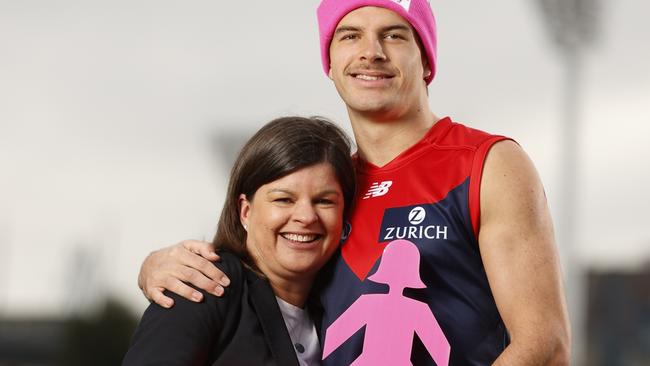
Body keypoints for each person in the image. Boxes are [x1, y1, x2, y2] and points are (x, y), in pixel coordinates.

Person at [136, 1, 571, 364]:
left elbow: (544, 346)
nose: (372, 52)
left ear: (426, 59)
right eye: (350, 35)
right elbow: (270, 287)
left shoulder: (487, 163)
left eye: (394, 35)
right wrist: (159, 266)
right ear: (330, 62)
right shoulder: (327, 191)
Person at [122, 116, 355, 365]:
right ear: (245, 210)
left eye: (324, 201)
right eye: (284, 199)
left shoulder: (336, 308)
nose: (306, 217)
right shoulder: (205, 282)